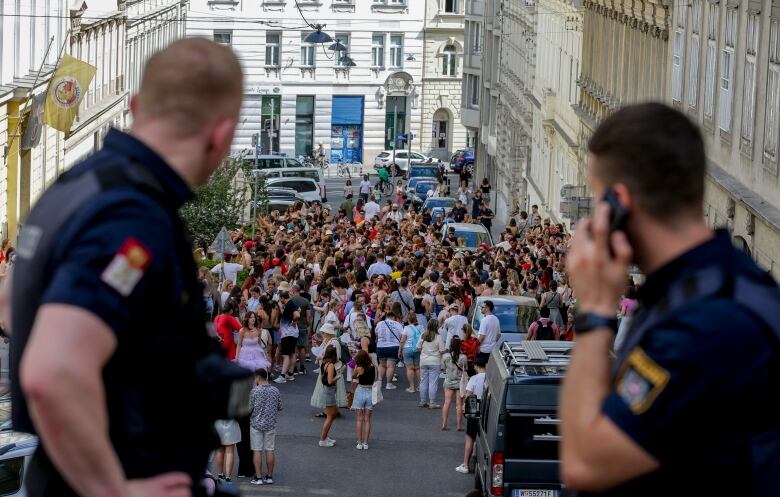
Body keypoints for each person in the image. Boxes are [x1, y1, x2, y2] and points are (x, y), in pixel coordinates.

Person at [560, 103, 780, 496]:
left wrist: (593, 309)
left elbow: (584, 463)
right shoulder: (724, 285)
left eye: (596, 201)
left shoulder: (702, 324)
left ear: (619, 204)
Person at [248, 368, 282, 486]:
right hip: (270, 424)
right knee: (270, 449)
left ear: (257, 378)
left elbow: (249, 408)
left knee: (257, 450)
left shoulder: (254, 391)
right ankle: (269, 476)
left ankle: (258, 478)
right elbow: (280, 406)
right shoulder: (275, 390)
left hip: (256, 424)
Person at [455, 356, 486, 474]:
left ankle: (465, 465)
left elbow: (468, 394)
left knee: (469, 437)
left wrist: (464, 408)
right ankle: (477, 461)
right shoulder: (491, 377)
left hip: (474, 407)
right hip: (487, 408)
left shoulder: (474, 378)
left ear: (476, 366)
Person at [274, 283, 301, 383]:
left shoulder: (290, 304)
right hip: (292, 333)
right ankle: (290, 374)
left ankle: (282, 376)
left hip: (288, 333)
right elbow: (299, 310)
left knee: (285, 355)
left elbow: (297, 314)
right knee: (292, 353)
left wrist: (293, 321)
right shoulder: (290, 304)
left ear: (282, 297)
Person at [351, 350, 376, 450]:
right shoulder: (373, 367)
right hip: (370, 392)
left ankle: (359, 442)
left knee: (359, 419)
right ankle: (366, 443)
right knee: (367, 420)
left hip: (360, 390)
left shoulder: (359, 368)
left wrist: (356, 368)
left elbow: (353, 377)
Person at [441, 336, 467, 431]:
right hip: (459, 383)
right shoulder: (463, 357)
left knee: (446, 402)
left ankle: (444, 423)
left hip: (448, 381)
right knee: (459, 404)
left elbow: (443, 368)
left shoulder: (445, 356)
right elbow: (466, 369)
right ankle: (459, 425)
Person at [417, 319, 444, 409]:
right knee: (433, 382)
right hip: (435, 361)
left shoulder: (423, 335)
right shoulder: (438, 337)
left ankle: (422, 401)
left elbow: (418, 347)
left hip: (423, 360)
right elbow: (442, 350)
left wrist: (424, 353)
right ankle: (432, 402)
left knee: (423, 381)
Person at [318, 346, 340, 447]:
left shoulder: (324, 362)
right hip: (329, 392)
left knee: (333, 413)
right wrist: (337, 377)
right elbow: (330, 381)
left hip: (326, 391)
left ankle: (325, 436)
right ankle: (323, 439)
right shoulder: (330, 365)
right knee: (330, 416)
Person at [400, 312, 423, 393]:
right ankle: (420, 386)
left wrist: (400, 351)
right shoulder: (421, 327)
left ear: (408, 319)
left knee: (409, 368)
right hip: (417, 349)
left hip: (407, 349)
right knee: (418, 368)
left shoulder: (406, 328)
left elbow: (402, 341)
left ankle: (412, 387)